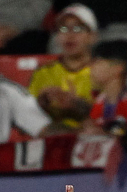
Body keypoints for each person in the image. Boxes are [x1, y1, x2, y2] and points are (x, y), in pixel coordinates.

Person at [28, 4, 96, 132]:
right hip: (52, 138)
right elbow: (29, 115)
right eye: (63, 29)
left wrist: (77, 105)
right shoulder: (44, 72)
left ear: (92, 36)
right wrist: (44, 103)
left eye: (77, 28)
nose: (70, 35)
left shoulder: (101, 72)